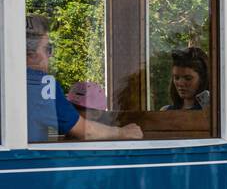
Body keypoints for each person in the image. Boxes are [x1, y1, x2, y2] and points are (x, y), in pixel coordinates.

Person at [26, 15, 142, 143]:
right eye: (48, 49)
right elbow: (85, 131)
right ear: (31, 54)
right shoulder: (42, 85)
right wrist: (122, 132)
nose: (51, 55)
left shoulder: (11, 82)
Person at [162, 46, 211, 111]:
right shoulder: (166, 111)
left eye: (188, 78)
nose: (180, 83)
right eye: (176, 78)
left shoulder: (211, 112)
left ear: (202, 79)